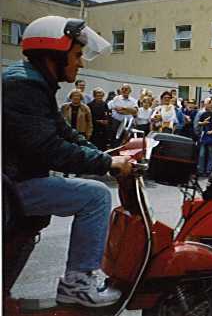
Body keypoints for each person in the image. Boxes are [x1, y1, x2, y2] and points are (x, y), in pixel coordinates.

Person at [2, 16, 132, 307]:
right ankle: (78, 284)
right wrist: (106, 166)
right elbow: (49, 147)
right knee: (96, 196)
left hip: (15, 180)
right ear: (53, 55)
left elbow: (63, 130)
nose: (81, 62)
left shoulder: (33, 80)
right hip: (13, 184)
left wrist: (105, 156)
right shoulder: (24, 85)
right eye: (76, 55)